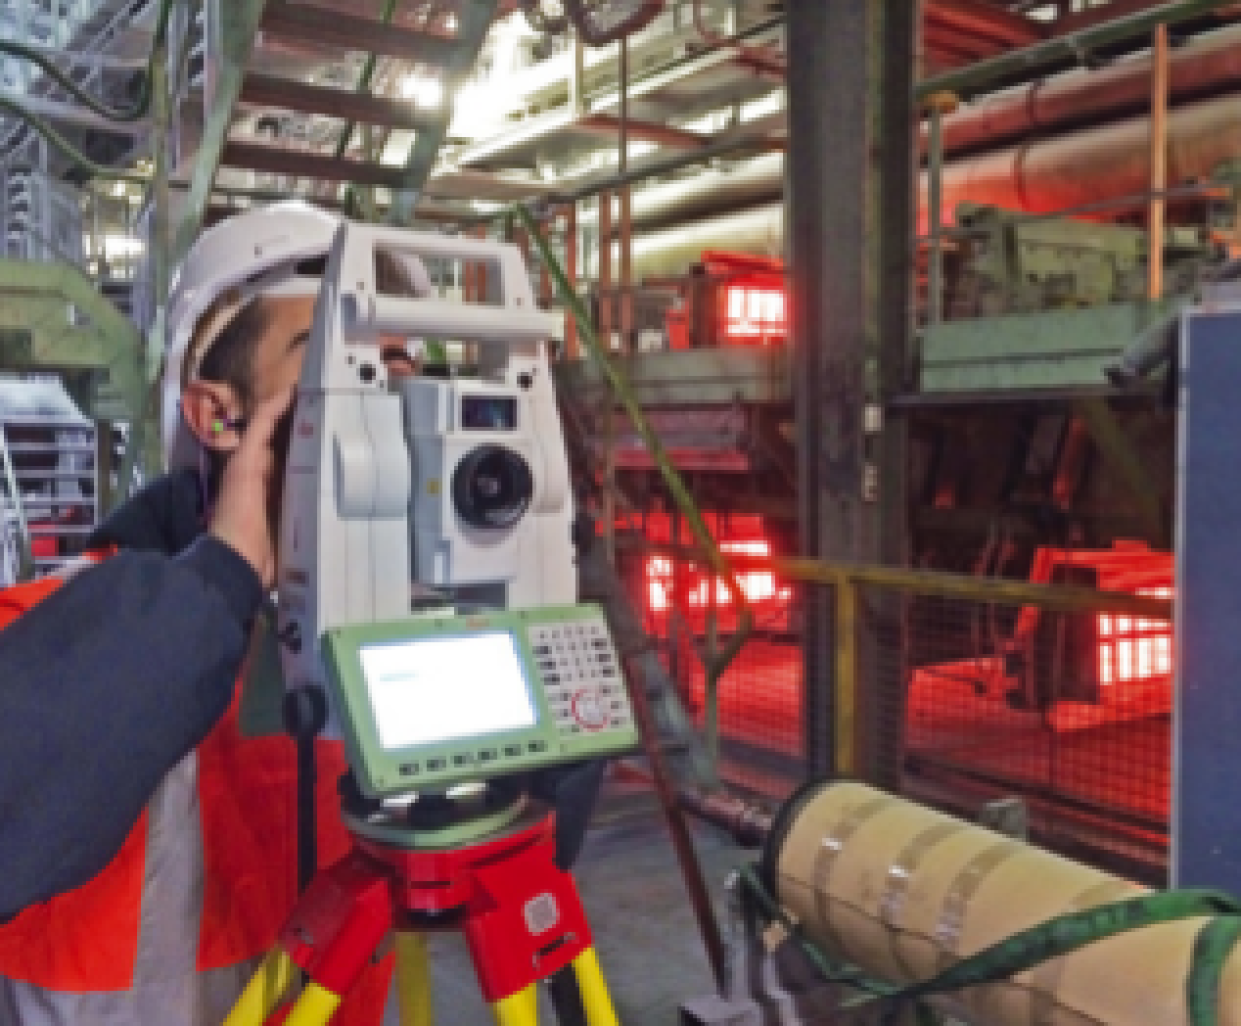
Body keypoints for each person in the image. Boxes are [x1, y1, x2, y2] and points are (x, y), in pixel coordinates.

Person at [0, 201, 604, 1023]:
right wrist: (224, 581)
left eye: (400, 366)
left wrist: (529, 591)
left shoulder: (396, 634)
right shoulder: (58, 624)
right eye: (340, 359)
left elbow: (523, 852)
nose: (390, 392)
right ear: (218, 416)